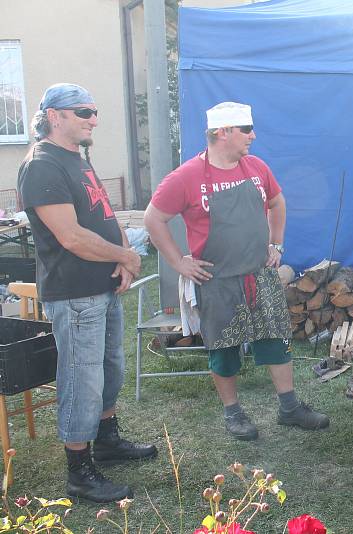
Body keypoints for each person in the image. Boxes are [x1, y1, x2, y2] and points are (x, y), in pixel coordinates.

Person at [144, 102, 329, 441]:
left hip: (260, 274)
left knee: (276, 339)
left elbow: (277, 202)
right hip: (217, 279)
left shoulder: (256, 168)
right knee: (223, 348)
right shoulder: (186, 177)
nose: (253, 135)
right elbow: (153, 219)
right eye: (246, 129)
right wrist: (178, 261)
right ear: (222, 132)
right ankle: (233, 413)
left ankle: (289, 408)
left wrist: (277, 244)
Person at [17, 83, 157, 503]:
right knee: (82, 377)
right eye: (83, 112)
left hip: (102, 285)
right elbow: (71, 236)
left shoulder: (76, 159)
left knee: (109, 368)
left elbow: (104, 215)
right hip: (74, 292)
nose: (93, 119)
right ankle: (79, 470)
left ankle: (107, 440)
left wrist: (123, 256)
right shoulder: (42, 165)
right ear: (54, 116)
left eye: (94, 111)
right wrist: (127, 256)